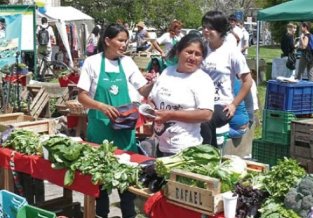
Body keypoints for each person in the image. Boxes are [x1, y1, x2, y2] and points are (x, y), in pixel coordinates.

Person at [77, 23, 155, 218]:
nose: (124, 44)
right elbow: (82, 96)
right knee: (101, 182)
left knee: (127, 181)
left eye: (125, 40)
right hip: (100, 129)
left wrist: (154, 83)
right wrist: (102, 107)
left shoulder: (127, 62)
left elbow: (142, 89)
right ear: (107, 41)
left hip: (124, 131)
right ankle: (101, 214)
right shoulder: (92, 62)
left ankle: (128, 215)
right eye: (120, 40)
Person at [148, 33, 215, 156]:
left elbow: (206, 114)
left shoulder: (202, 80)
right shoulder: (167, 72)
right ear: (178, 52)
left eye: (198, 54)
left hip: (185, 149)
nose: (192, 57)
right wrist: (150, 111)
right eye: (189, 52)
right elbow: (152, 98)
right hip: (161, 144)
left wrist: (171, 115)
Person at [200, 10, 253, 147]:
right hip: (199, 101)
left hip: (221, 104)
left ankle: (206, 155)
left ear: (220, 30)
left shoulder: (232, 52)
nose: (206, 31)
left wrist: (234, 104)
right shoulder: (200, 49)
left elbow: (248, 81)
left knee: (206, 120)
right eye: (204, 27)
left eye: (210, 28)